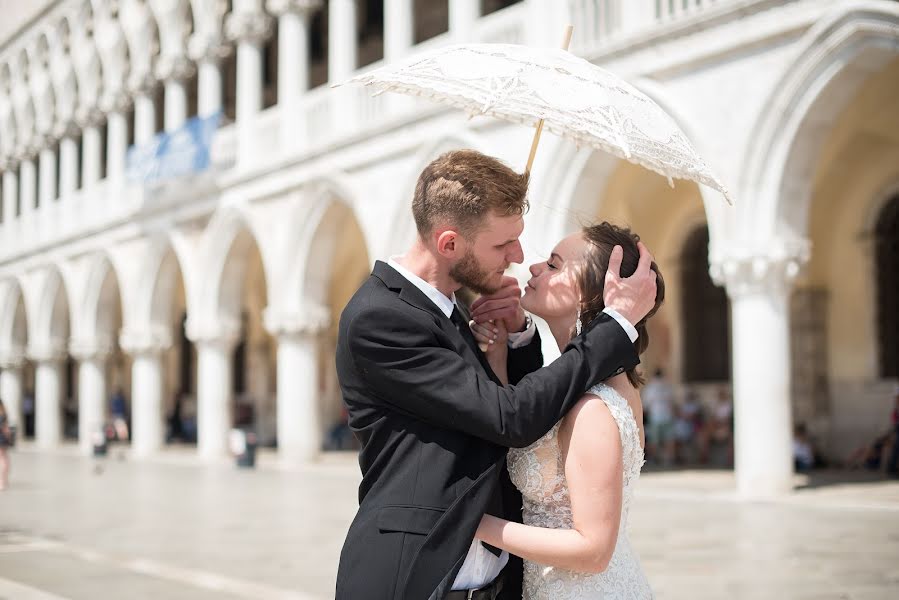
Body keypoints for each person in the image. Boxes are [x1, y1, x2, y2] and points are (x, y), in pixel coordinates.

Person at [334, 150, 657, 600]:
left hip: (501, 583)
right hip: (417, 575)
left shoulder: (453, 311)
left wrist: (519, 338)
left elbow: (522, 407)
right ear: (449, 244)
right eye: (504, 244)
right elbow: (508, 417)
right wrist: (616, 325)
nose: (521, 257)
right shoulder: (382, 318)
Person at [469, 222, 662, 598]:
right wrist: (499, 353)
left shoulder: (592, 407)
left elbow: (592, 550)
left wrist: (474, 524)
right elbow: (515, 416)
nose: (536, 267)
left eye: (555, 265)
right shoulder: (594, 386)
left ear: (590, 297)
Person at [642, 368, 676, 466]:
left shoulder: (650, 388)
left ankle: (654, 459)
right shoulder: (667, 386)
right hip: (667, 416)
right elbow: (672, 402)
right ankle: (670, 459)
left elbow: (646, 405)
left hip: (655, 417)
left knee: (654, 440)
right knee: (669, 439)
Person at [0, 398, 12, 490]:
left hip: (1, 437)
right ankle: (4, 480)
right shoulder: (4, 414)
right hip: (3, 438)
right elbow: (6, 428)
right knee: (4, 458)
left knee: (2, 459)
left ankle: (2, 482)